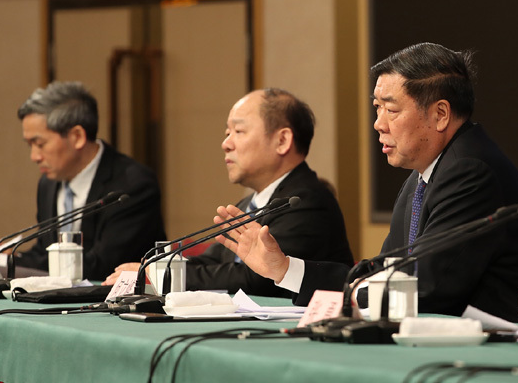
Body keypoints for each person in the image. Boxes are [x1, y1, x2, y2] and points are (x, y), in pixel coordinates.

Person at [213, 42, 518, 322]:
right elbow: (383, 271)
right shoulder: (424, 176)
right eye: (376, 108)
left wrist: (353, 294)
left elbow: (424, 290)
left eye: (391, 109)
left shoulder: (469, 171)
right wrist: (284, 268)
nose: (378, 123)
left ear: (440, 114)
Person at [104, 88, 354, 297]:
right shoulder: (251, 203)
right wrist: (154, 267)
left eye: (238, 131)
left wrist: (161, 276)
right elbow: (214, 261)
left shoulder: (306, 202)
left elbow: (258, 277)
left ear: (282, 141)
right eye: (227, 133)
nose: (226, 143)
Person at [8, 81, 166, 280]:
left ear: (77, 136)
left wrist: (13, 263)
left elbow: (103, 265)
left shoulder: (132, 184)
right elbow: (44, 250)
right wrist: (11, 258)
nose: (34, 156)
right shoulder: (48, 184)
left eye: (40, 144)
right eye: (30, 145)